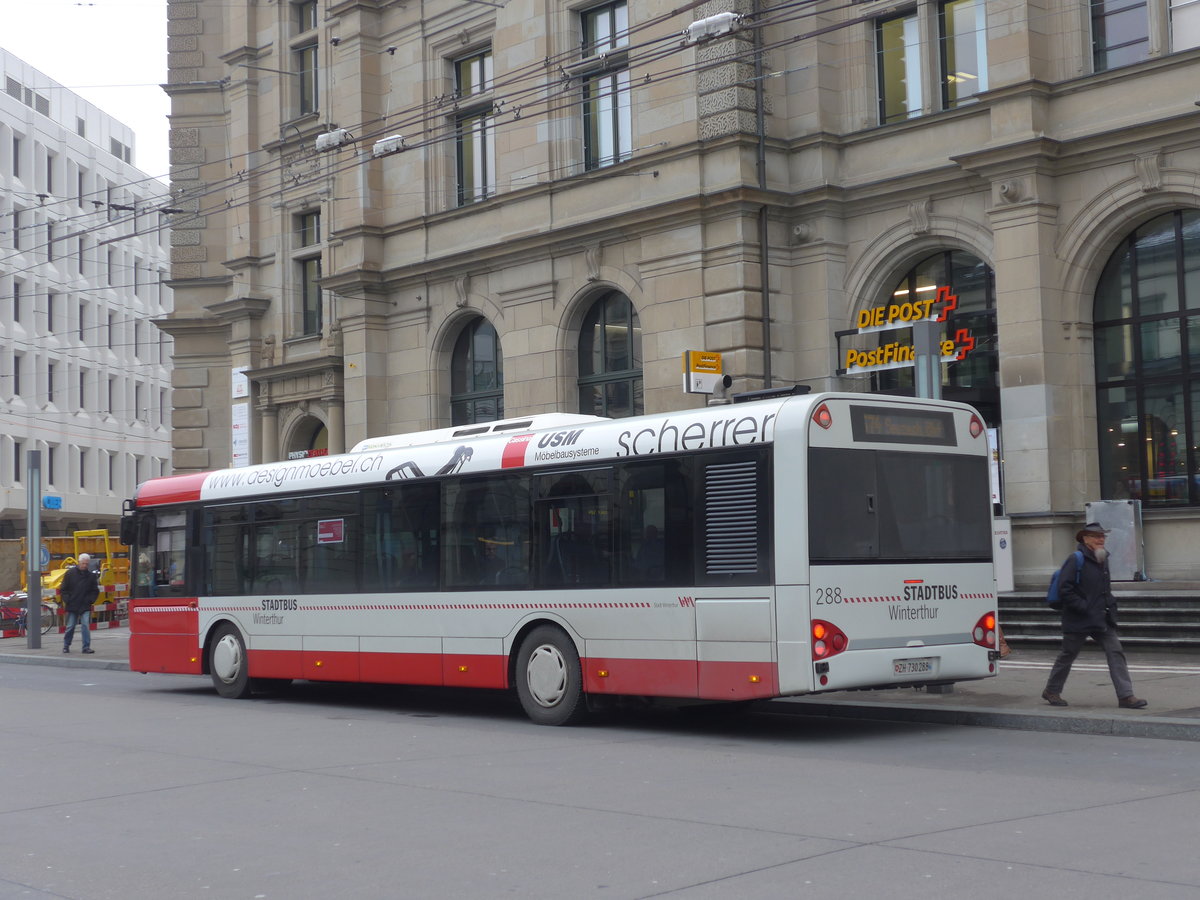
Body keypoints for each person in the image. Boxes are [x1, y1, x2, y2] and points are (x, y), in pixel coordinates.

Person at [1041, 523, 1147, 709]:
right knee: (1068, 654)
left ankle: (1126, 696)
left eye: (1103, 537)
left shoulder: (1102, 558)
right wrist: (1084, 607)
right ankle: (1052, 690)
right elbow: (1065, 588)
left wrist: (1110, 606)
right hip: (1079, 617)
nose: (1101, 540)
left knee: (1115, 652)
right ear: (1085, 539)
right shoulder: (1076, 559)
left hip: (1101, 617)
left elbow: (1104, 589)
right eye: (1096, 536)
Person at [61, 553, 100, 654]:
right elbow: (63, 589)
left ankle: (86, 647)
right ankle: (66, 645)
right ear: (79, 562)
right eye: (83, 563)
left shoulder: (91, 576)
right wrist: (68, 600)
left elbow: (95, 590)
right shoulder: (70, 574)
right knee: (70, 626)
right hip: (72, 604)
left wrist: (90, 600)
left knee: (86, 626)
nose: (85, 566)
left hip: (85, 605)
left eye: (87, 564)